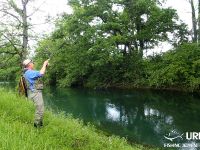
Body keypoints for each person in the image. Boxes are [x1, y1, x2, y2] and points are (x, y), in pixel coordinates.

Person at [23, 59, 49, 128]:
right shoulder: (29, 72)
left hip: (33, 92)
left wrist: (45, 66)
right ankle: (37, 126)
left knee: (39, 109)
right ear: (29, 64)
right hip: (35, 93)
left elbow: (41, 73)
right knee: (40, 110)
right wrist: (44, 64)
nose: (33, 63)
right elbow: (41, 73)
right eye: (32, 63)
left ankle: (40, 124)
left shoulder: (28, 72)